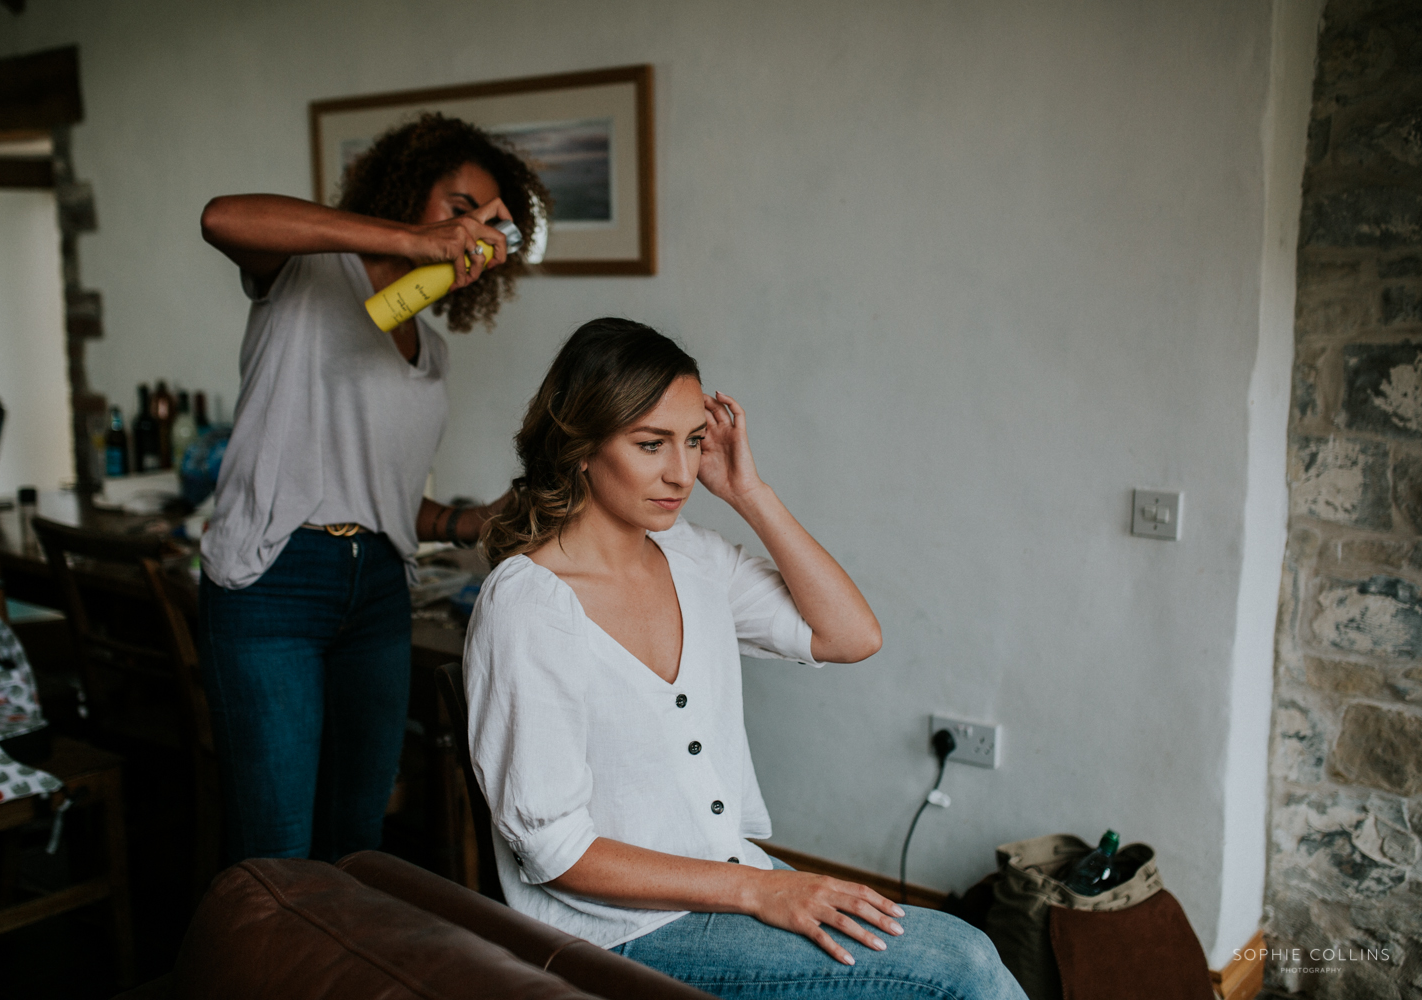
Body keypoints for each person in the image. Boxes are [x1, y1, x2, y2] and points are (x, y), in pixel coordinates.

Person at [466, 318, 1026, 998]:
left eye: (694, 441)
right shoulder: (529, 606)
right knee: (959, 966)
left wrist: (748, 495)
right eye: (651, 445)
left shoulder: (693, 557)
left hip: (729, 884)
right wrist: (760, 890)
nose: (681, 473)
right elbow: (556, 852)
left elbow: (851, 637)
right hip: (616, 933)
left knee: (960, 962)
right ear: (581, 447)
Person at [196, 112, 549, 864]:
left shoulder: (432, 351)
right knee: (277, 852)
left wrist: (466, 520)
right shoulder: (307, 277)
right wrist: (413, 243)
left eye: (488, 223)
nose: (469, 232)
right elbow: (221, 217)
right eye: (457, 207)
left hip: (380, 591)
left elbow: (377, 496)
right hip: (272, 584)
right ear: (404, 194)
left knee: (357, 843)